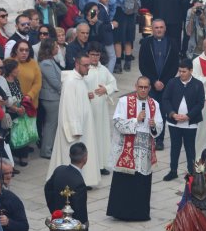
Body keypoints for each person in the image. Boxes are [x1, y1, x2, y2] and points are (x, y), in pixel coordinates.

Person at [106, 77, 163, 221]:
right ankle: (121, 213)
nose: (143, 90)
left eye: (146, 87)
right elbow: (117, 122)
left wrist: (153, 125)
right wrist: (135, 120)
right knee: (125, 183)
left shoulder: (154, 104)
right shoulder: (124, 101)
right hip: (127, 148)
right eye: (140, 87)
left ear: (150, 88)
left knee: (141, 184)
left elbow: (160, 126)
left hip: (144, 151)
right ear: (135, 86)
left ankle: (140, 214)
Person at [46, 53, 101, 187]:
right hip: (73, 129)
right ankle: (66, 182)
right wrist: (74, 128)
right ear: (77, 65)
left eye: (89, 65)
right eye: (85, 65)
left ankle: (82, 181)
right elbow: (68, 106)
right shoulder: (70, 81)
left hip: (84, 126)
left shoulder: (80, 79)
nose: (88, 68)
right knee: (68, 156)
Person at [138, 19, 179, 150]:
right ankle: (150, 137)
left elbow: (174, 65)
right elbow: (142, 65)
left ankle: (159, 139)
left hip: (166, 85)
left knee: (163, 112)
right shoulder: (146, 43)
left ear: (165, 29)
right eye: (156, 28)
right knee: (151, 111)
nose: (159, 30)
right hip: (151, 84)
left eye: (161, 27)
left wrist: (164, 81)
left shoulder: (172, 43)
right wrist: (154, 81)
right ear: (152, 29)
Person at [44, 143, 90, 231]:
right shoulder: (79, 183)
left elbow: (47, 189)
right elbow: (81, 212)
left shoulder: (59, 170)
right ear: (85, 158)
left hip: (57, 225)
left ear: (69, 156)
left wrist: (55, 212)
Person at [84, 42, 118, 175]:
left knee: (102, 137)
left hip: (102, 110)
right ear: (88, 54)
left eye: (97, 55)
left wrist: (106, 89)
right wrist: (85, 94)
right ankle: (90, 165)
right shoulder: (84, 69)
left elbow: (113, 83)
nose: (95, 58)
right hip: (89, 108)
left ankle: (102, 164)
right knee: (90, 137)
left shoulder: (103, 69)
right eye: (92, 54)